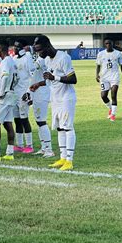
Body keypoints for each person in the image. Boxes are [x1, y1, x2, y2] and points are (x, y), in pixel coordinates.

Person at [33, 34, 77, 171]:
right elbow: (49, 79)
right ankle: (63, 157)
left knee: (68, 127)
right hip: (56, 98)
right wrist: (39, 84)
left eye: (40, 50)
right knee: (59, 128)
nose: (39, 53)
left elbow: (73, 79)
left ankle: (69, 160)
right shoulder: (47, 60)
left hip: (66, 97)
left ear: (48, 46)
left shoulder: (64, 57)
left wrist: (55, 77)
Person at [12, 39, 36, 153]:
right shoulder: (14, 59)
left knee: (24, 120)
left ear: (22, 48)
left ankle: (29, 145)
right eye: (14, 47)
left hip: (23, 94)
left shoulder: (27, 58)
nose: (15, 49)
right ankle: (20, 144)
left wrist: (29, 93)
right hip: (15, 94)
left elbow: (32, 76)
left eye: (17, 47)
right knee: (17, 120)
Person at [95, 38, 122, 122]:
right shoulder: (101, 54)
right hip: (104, 77)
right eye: (106, 44)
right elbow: (98, 65)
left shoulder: (118, 53)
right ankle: (110, 108)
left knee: (113, 95)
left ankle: (113, 115)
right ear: (104, 45)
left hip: (114, 77)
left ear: (112, 44)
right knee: (103, 96)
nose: (108, 45)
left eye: (109, 43)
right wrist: (97, 75)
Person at [29, 50, 54, 157]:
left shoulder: (45, 61)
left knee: (41, 121)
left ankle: (49, 149)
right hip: (36, 94)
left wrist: (38, 84)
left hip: (42, 94)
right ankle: (43, 147)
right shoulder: (37, 60)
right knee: (38, 121)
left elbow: (49, 79)